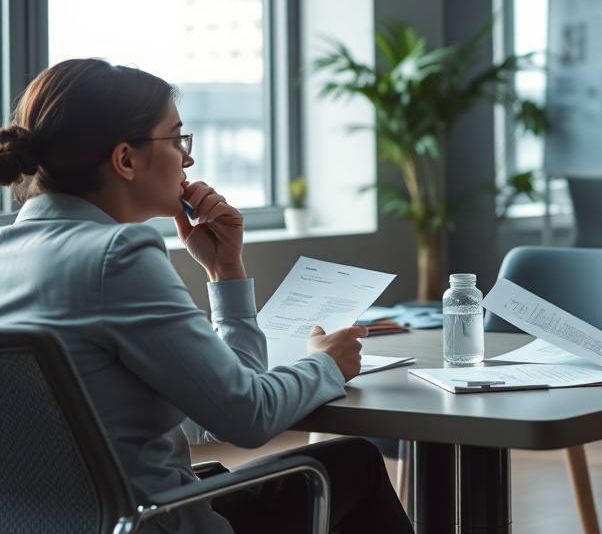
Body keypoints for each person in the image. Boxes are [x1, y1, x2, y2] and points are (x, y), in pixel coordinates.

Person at [0, 58, 413, 534]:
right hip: (149, 523)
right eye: (176, 139)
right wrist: (324, 363)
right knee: (354, 460)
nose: (187, 159)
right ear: (126, 160)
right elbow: (249, 418)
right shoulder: (118, 254)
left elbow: (221, 403)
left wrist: (224, 269)